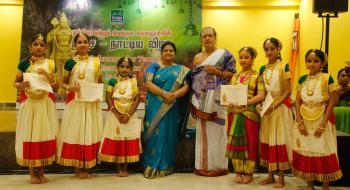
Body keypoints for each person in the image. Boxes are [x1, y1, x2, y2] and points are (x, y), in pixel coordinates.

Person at [293, 49, 342, 190]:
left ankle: (325, 185)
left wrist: (323, 124)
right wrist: (299, 121)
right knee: (307, 149)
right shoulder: (302, 79)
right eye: (309, 60)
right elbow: (297, 102)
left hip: (322, 118)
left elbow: (332, 102)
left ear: (322, 63)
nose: (312, 63)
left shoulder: (328, 78)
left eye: (316, 61)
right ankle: (310, 184)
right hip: (305, 119)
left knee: (324, 150)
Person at [56, 33, 103, 179]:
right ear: (75, 45)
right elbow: (63, 83)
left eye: (85, 42)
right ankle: (77, 167)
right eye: (79, 42)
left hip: (90, 104)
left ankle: (87, 166)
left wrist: (98, 96)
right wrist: (70, 88)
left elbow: (100, 82)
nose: (82, 44)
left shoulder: (96, 61)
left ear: (89, 44)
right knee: (76, 133)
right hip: (75, 103)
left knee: (88, 132)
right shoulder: (70, 62)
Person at [191, 27, 236, 177]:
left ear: (215, 37)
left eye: (210, 36)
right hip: (201, 100)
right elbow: (194, 80)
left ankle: (219, 166)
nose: (207, 38)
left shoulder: (225, 54)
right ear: (201, 39)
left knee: (218, 132)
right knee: (203, 132)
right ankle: (202, 166)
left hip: (218, 99)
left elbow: (232, 75)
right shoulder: (197, 58)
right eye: (204, 36)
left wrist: (217, 72)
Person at [14, 34, 59, 184]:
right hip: (30, 104)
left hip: (45, 104)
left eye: (41, 45)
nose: (38, 47)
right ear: (30, 46)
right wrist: (19, 86)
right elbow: (16, 82)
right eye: (35, 44)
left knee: (44, 135)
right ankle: (32, 173)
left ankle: (42, 172)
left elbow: (57, 87)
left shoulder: (51, 64)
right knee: (30, 135)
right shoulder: (23, 64)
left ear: (46, 48)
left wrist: (48, 76)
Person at [143, 41, 191, 179]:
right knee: (155, 135)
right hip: (155, 107)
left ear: (174, 54)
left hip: (171, 106)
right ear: (161, 53)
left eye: (171, 51)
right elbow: (147, 83)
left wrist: (173, 95)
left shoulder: (181, 70)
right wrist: (165, 94)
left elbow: (186, 87)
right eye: (166, 50)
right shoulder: (154, 66)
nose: (168, 53)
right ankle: (151, 165)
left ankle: (166, 166)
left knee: (168, 134)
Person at [225, 47, 265, 184]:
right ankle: (238, 172)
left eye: (246, 57)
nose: (243, 60)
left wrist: (245, 102)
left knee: (250, 143)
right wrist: (228, 102)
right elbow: (229, 94)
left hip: (249, 114)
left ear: (253, 59)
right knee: (235, 143)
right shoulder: (234, 76)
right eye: (241, 57)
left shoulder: (257, 76)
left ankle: (249, 172)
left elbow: (261, 95)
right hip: (234, 114)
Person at [258, 37, 293, 188]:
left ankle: (282, 177)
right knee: (267, 139)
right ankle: (270, 175)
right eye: (266, 49)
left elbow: (288, 91)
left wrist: (275, 105)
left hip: (280, 108)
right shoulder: (262, 69)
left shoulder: (284, 66)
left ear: (279, 49)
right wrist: (260, 104)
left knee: (280, 139)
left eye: (272, 48)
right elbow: (262, 91)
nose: (269, 52)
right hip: (267, 109)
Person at [99, 57, 141, 177]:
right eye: (122, 66)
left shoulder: (134, 82)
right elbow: (108, 98)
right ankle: (118, 168)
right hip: (115, 115)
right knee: (118, 139)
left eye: (127, 67)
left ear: (131, 69)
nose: (124, 69)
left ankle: (126, 168)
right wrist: (117, 114)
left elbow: (137, 99)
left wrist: (128, 115)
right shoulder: (112, 81)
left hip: (130, 114)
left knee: (127, 139)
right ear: (117, 68)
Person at [46, 12, 73, 94]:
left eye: (65, 22)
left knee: (67, 72)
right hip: (58, 52)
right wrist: (52, 37)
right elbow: (48, 41)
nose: (63, 23)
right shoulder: (55, 32)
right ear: (59, 23)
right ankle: (60, 87)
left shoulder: (71, 32)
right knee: (59, 72)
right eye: (62, 22)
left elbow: (72, 43)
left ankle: (66, 88)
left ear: (67, 23)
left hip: (67, 52)